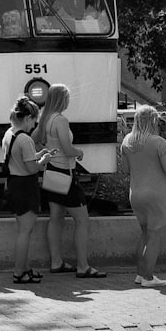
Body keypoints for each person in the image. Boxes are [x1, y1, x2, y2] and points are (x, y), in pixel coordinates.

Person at [32, 83, 106, 278]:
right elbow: (67, 148)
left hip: (51, 171)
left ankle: (56, 262)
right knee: (82, 220)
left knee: (55, 217)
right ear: (62, 99)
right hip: (65, 172)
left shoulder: (45, 119)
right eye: (67, 97)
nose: (69, 101)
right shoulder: (61, 120)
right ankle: (83, 266)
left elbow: (33, 139)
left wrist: (46, 150)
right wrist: (79, 152)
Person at [120, 105, 166, 288]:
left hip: (135, 193)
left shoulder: (128, 141)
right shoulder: (159, 142)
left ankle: (140, 274)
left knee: (144, 233)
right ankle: (149, 277)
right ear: (154, 121)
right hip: (156, 194)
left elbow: (125, 170)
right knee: (154, 235)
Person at [3, 96, 55, 284]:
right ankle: (19, 272)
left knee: (23, 229)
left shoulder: (9, 133)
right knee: (25, 231)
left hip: (14, 183)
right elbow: (32, 168)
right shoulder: (25, 139)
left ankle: (24, 268)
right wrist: (43, 160)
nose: (35, 124)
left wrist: (36, 156)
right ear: (27, 118)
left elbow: (19, 159)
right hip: (26, 186)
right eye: (34, 120)